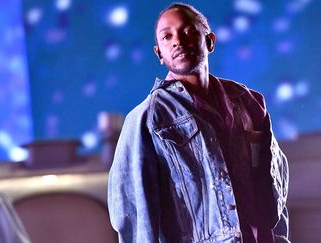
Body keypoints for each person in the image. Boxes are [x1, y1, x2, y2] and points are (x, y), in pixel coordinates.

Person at [108, 3, 290, 243]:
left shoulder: (249, 103)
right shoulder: (147, 119)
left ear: (210, 41)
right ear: (159, 54)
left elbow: (271, 185)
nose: (178, 41)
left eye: (188, 31)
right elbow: (135, 216)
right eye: (167, 36)